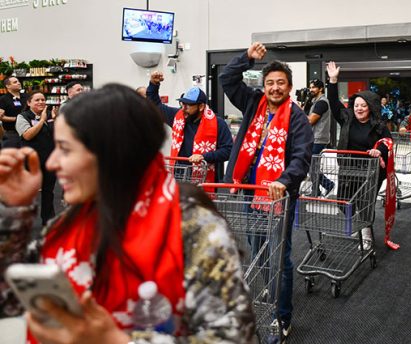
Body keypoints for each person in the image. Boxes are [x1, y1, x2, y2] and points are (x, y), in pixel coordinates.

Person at [0, 84, 256, 342]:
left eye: (65, 149)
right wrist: (12, 211)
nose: (52, 163)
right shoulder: (72, 221)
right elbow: (8, 299)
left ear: (112, 154)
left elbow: (233, 337)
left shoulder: (191, 228)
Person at [219, 42, 313, 340]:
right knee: (257, 245)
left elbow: (301, 157)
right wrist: (246, 58)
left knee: (279, 256)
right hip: (250, 191)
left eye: (280, 83)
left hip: (279, 198)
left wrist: (284, 181)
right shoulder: (253, 103)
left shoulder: (297, 118)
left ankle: (282, 317)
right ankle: (268, 285)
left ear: (289, 87)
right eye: (270, 82)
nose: (274, 88)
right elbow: (227, 79)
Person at [326, 61, 398, 251]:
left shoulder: (379, 126)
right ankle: (357, 222)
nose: (358, 108)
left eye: (363, 106)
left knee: (365, 204)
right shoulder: (347, 118)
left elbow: (388, 143)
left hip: (370, 172)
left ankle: (366, 235)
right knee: (343, 200)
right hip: (348, 168)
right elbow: (333, 105)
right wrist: (333, 81)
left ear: (371, 107)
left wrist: (379, 151)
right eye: (356, 105)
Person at [146, 71, 232, 183]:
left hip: (204, 181)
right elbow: (155, 105)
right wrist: (153, 84)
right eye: (182, 104)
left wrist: (204, 156)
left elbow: (228, 150)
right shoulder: (177, 116)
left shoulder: (218, 123)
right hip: (178, 178)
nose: (184, 108)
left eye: (188, 105)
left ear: (201, 106)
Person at [15, 91, 56, 226]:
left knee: (48, 191)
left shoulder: (50, 115)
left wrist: (54, 121)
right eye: (37, 100)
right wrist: (42, 120)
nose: (41, 102)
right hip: (31, 161)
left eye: (43, 100)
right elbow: (27, 135)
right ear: (29, 103)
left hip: (48, 159)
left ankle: (48, 219)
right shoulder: (22, 117)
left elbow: (55, 135)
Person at [307, 78, 335, 196]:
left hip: (318, 138)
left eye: (313, 87)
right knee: (312, 165)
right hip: (316, 137)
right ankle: (317, 190)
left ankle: (326, 185)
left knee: (311, 165)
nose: (311, 89)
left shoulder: (322, 102)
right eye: (310, 87)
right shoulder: (315, 101)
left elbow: (310, 121)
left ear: (321, 89)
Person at [0, 76, 27, 148]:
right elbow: (1, 117)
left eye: (18, 81)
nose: (19, 83)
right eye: (15, 82)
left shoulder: (26, 96)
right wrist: (17, 119)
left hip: (28, 131)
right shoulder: (3, 99)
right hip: (12, 133)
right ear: (8, 86)